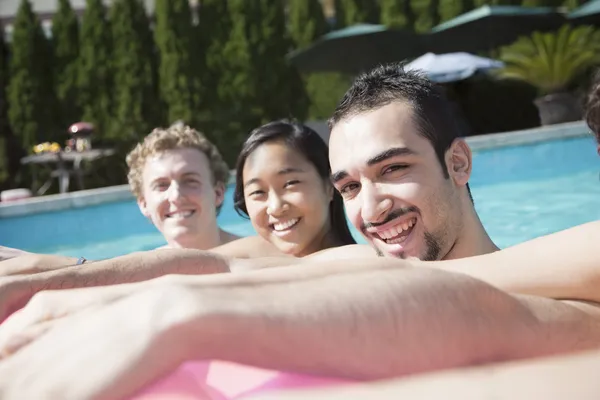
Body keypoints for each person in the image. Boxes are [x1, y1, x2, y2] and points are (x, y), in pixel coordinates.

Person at [0, 64, 600, 399]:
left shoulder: (569, 285)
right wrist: (60, 280)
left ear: (459, 162)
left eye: (393, 169)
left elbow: (486, 308)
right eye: (348, 186)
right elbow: (229, 265)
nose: (371, 207)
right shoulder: (351, 263)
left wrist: (177, 315)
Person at [0, 125, 240, 276]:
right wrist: (31, 263)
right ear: (143, 204)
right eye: (161, 185)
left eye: (190, 181)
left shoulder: (260, 254)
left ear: (218, 193)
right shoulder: (138, 269)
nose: (175, 195)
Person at [200, 120, 356, 258]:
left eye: (290, 183)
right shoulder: (253, 255)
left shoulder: (363, 262)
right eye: (258, 192)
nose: (275, 208)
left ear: (330, 185)